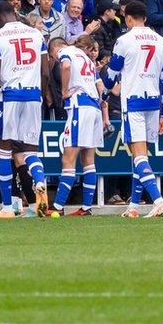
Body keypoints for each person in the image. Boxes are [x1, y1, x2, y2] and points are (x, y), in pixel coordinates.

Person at [103, 0, 163, 218]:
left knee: (139, 154)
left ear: (128, 18)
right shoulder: (162, 42)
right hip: (154, 101)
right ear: (146, 18)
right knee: (140, 155)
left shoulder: (124, 40)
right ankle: (133, 205)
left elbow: (112, 74)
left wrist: (103, 95)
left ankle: (158, 201)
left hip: (133, 100)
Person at [0, 0, 48, 218]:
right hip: (33, 95)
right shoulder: (36, 34)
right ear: (14, 12)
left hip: (10, 95)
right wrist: (42, 96)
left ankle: (6, 208)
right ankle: (39, 181)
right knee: (29, 150)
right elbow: (46, 72)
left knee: (5, 151)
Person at [52, 34, 108, 215]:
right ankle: (86, 207)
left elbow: (66, 66)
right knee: (88, 160)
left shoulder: (65, 51)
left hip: (79, 107)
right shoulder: (89, 61)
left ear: (55, 49)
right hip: (94, 108)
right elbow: (102, 87)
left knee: (68, 158)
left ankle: (58, 207)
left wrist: (64, 91)